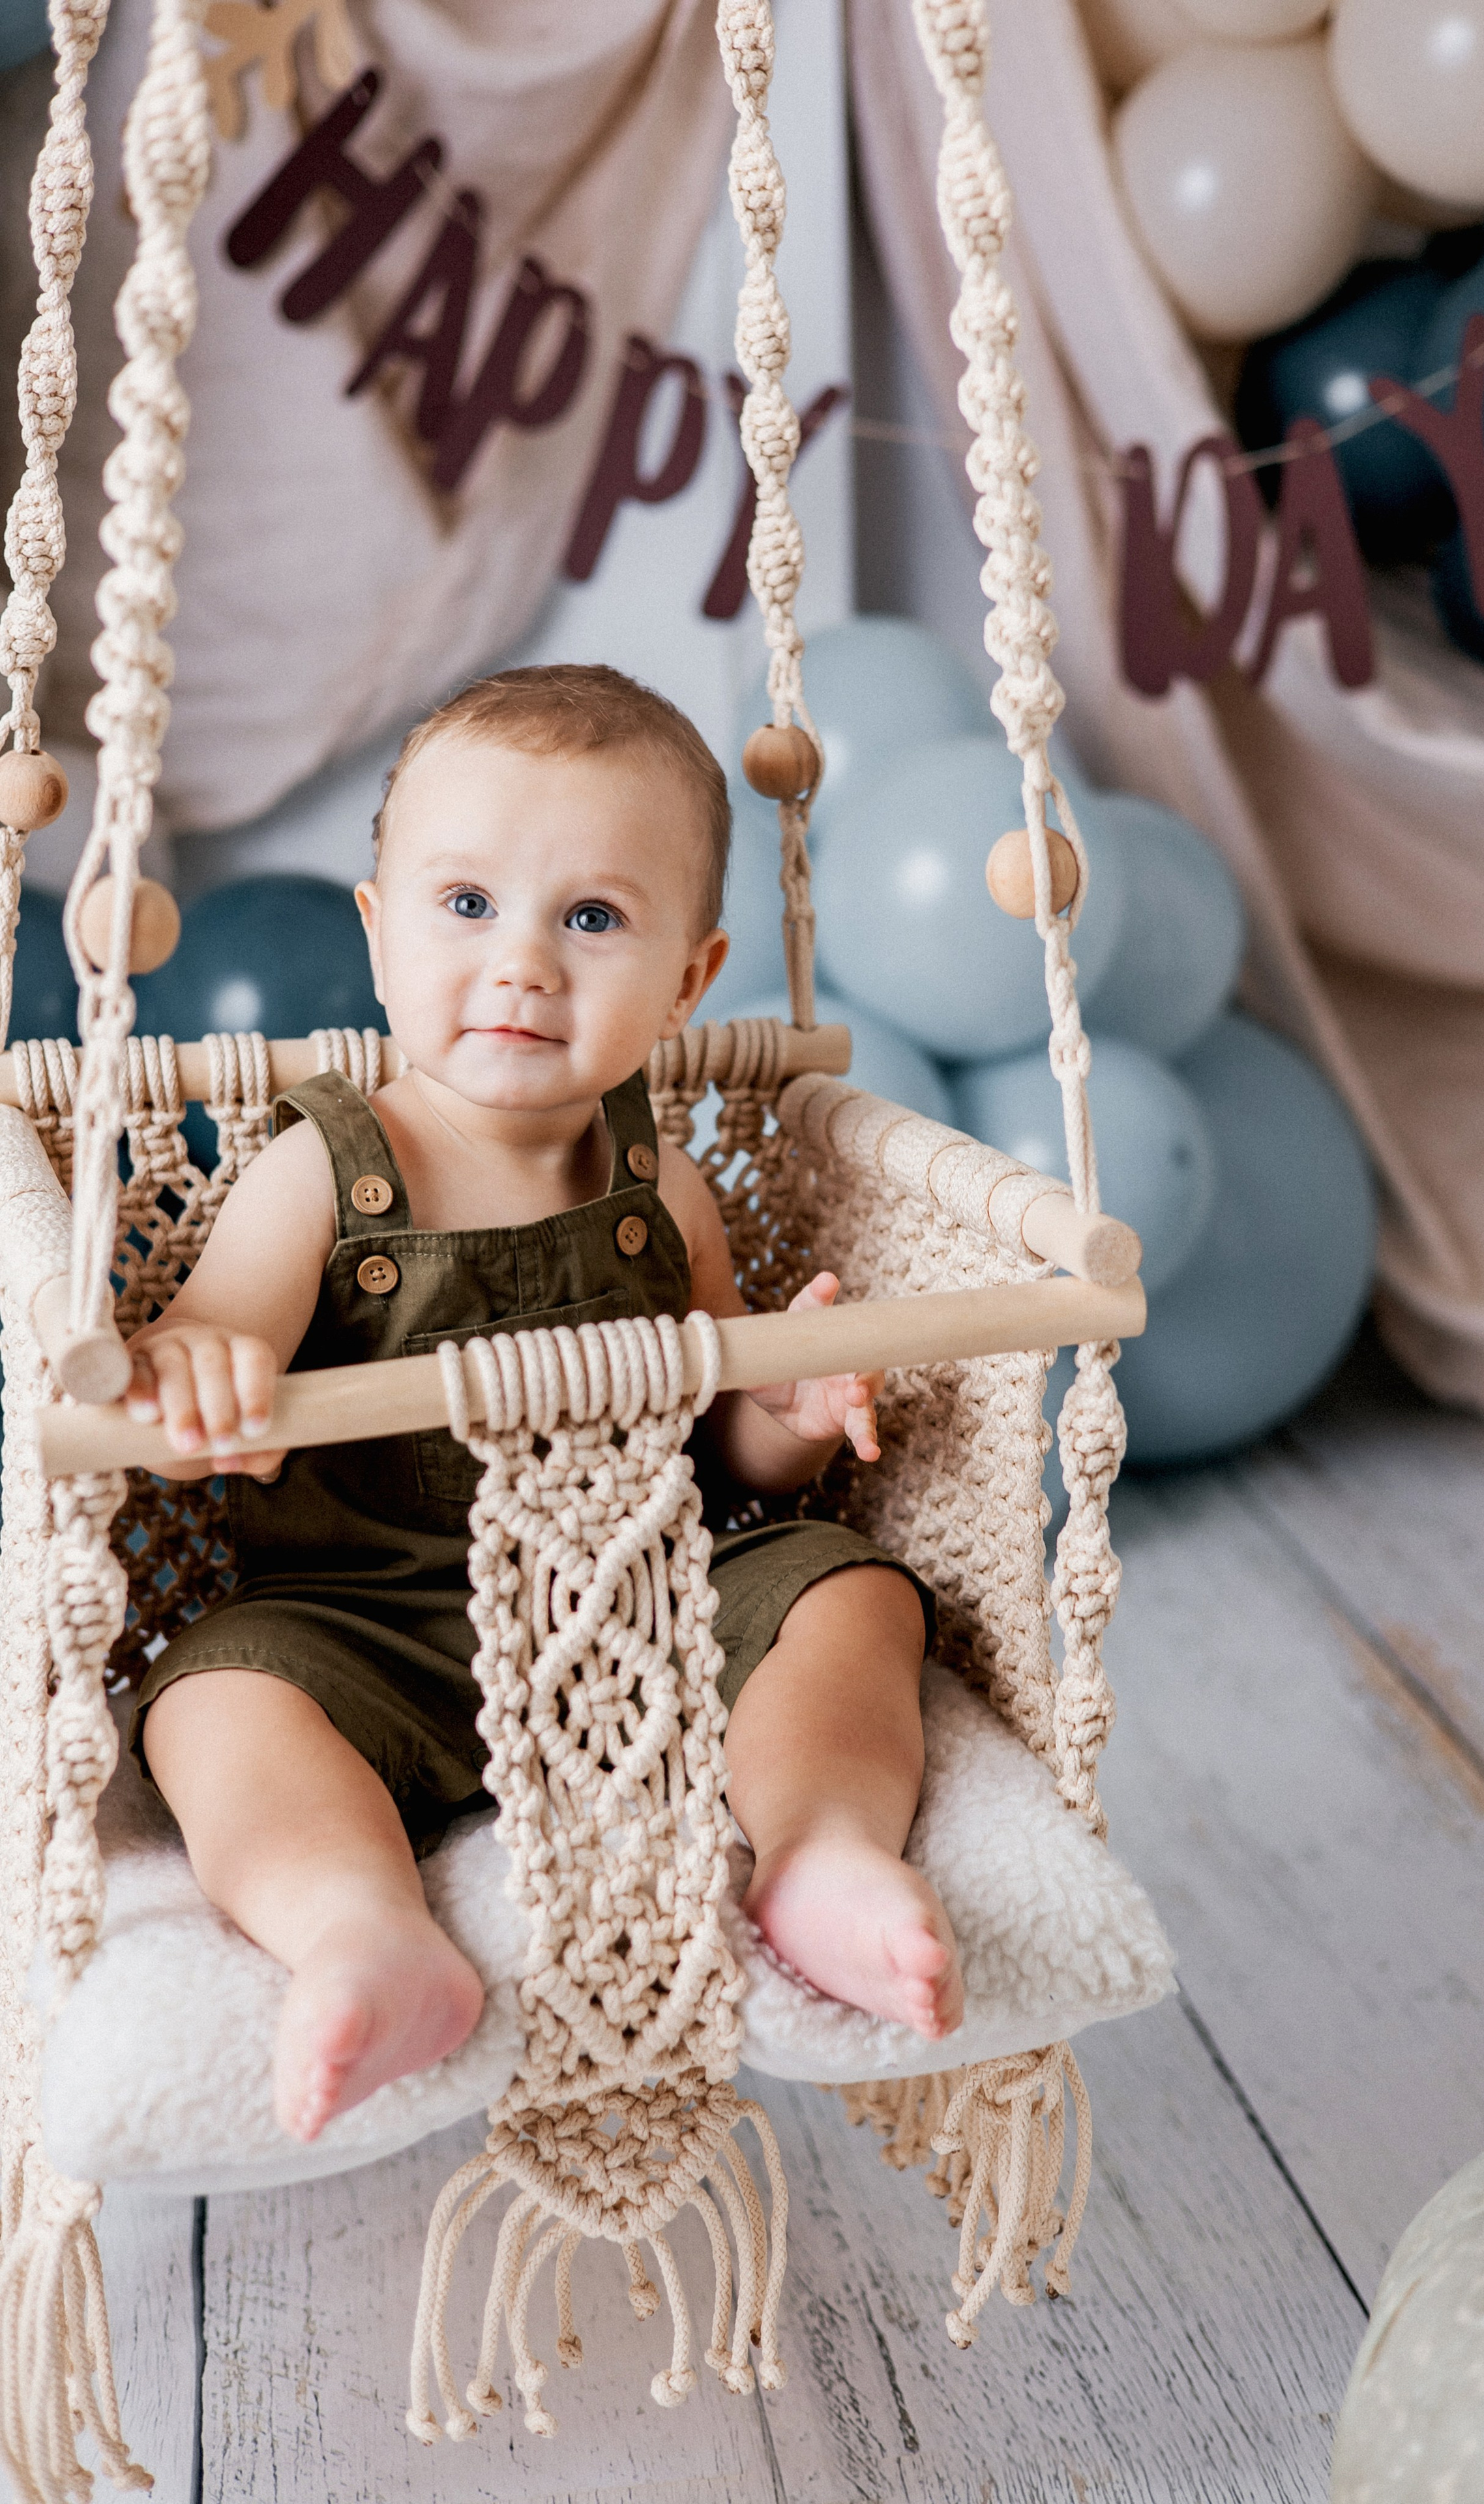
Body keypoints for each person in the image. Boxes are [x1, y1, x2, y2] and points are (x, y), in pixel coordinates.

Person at [121, 664, 961, 2146]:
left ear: (688, 981)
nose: (521, 965)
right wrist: (206, 1377)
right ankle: (360, 1930)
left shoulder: (664, 1186)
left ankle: (820, 1850)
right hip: (361, 1631)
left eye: (590, 919)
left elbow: (726, 1447)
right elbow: (210, 1332)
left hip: (638, 1607)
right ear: (377, 936)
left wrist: (789, 1405)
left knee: (850, 1594)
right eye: (466, 905)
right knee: (209, 1699)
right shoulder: (321, 1170)